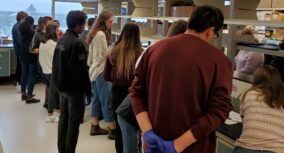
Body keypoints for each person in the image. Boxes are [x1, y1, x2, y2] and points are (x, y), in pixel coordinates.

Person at [130, 5, 233, 153]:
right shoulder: (219, 61)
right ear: (210, 31)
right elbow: (218, 111)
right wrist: (177, 145)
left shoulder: (154, 50)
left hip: (154, 146)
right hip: (194, 148)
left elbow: (136, 93)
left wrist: (148, 133)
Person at [235, 65, 284, 153]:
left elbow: (245, 122)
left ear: (256, 79)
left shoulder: (247, 94)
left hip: (247, 146)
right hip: (277, 150)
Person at [52, 10, 91, 153]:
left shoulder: (61, 40)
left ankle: (62, 150)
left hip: (62, 88)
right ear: (78, 25)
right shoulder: (77, 43)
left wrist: (57, 85)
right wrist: (88, 91)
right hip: (74, 91)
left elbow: (55, 65)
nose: (84, 27)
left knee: (63, 120)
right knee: (73, 124)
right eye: (84, 24)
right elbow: (81, 71)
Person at [103, 22, 143, 153]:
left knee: (120, 129)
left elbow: (106, 76)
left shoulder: (113, 51)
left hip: (117, 93)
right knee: (136, 128)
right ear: (137, 35)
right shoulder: (141, 53)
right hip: (134, 96)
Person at [86, 11, 116, 137]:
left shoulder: (96, 33)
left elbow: (93, 57)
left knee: (97, 100)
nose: (111, 24)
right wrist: (113, 51)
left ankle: (94, 126)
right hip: (101, 72)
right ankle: (112, 129)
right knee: (106, 100)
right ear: (103, 21)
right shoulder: (101, 35)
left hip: (94, 71)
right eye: (110, 21)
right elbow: (102, 56)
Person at [30, 16, 53, 109]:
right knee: (50, 84)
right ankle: (50, 105)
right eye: (50, 23)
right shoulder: (38, 35)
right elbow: (31, 49)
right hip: (43, 62)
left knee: (49, 84)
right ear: (44, 24)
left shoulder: (50, 34)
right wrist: (44, 50)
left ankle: (47, 102)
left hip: (51, 62)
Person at [39, 24, 60, 123]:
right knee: (52, 93)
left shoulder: (43, 43)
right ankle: (50, 114)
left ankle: (56, 110)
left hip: (45, 70)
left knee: (54, 92)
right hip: (52, 71)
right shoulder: (54, 44)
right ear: (53, 32)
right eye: (57, 29)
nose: (59, 30)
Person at [19, 16, 40, 104]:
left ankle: (23, 94)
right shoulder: (33, 33)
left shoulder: (21, 31)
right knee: (31, 76)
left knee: (24, 75)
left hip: (23, 55)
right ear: (31, 23)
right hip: (31, 56)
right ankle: (29, 97)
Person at [12, 11, 28, 93]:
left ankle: (21, 85)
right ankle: (20, 86)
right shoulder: (18, 27)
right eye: (26, 19)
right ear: (21, 18)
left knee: (20, 68)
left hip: (19, 50)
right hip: (20, 51)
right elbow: (20, 41)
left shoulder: (17, 26)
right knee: (20, 69)